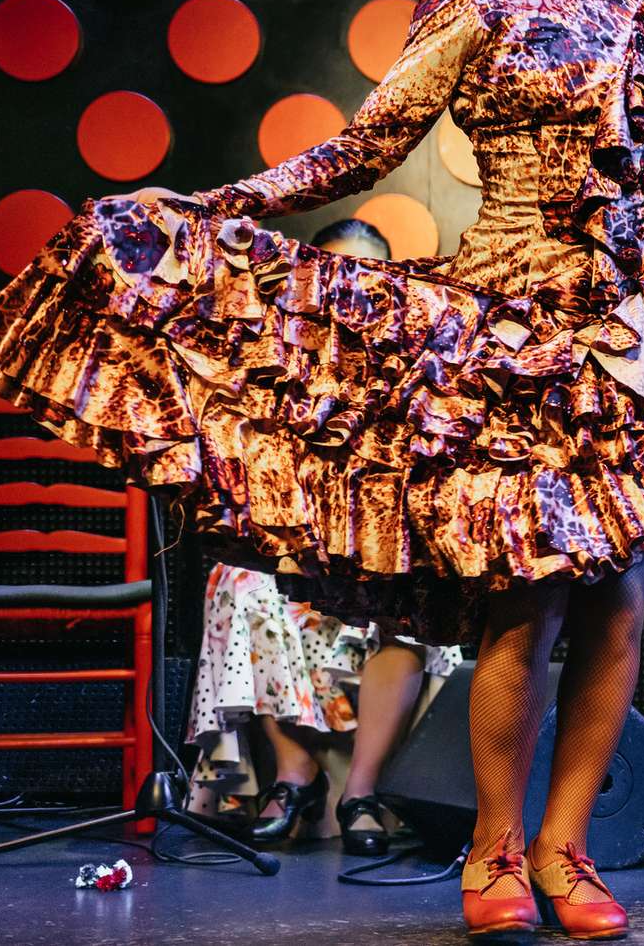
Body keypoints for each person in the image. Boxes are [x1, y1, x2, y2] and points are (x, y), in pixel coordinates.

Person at [0, 0, 644, 936]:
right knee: (524, 603)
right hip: (513, 330)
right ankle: (494, 852)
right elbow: (366, 146)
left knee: (619, 604)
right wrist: (215, 205)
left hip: (628, 330)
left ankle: (565, 849)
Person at [185, 220, 465, 857]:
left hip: (385, 550)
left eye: (368, 275)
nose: (352, 290)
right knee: (246, 580)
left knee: (409, 606)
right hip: (301, 546)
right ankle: (295, 775)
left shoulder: (419, 363)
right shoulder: (279, 359)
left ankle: (360, 791)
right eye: (336, 273)